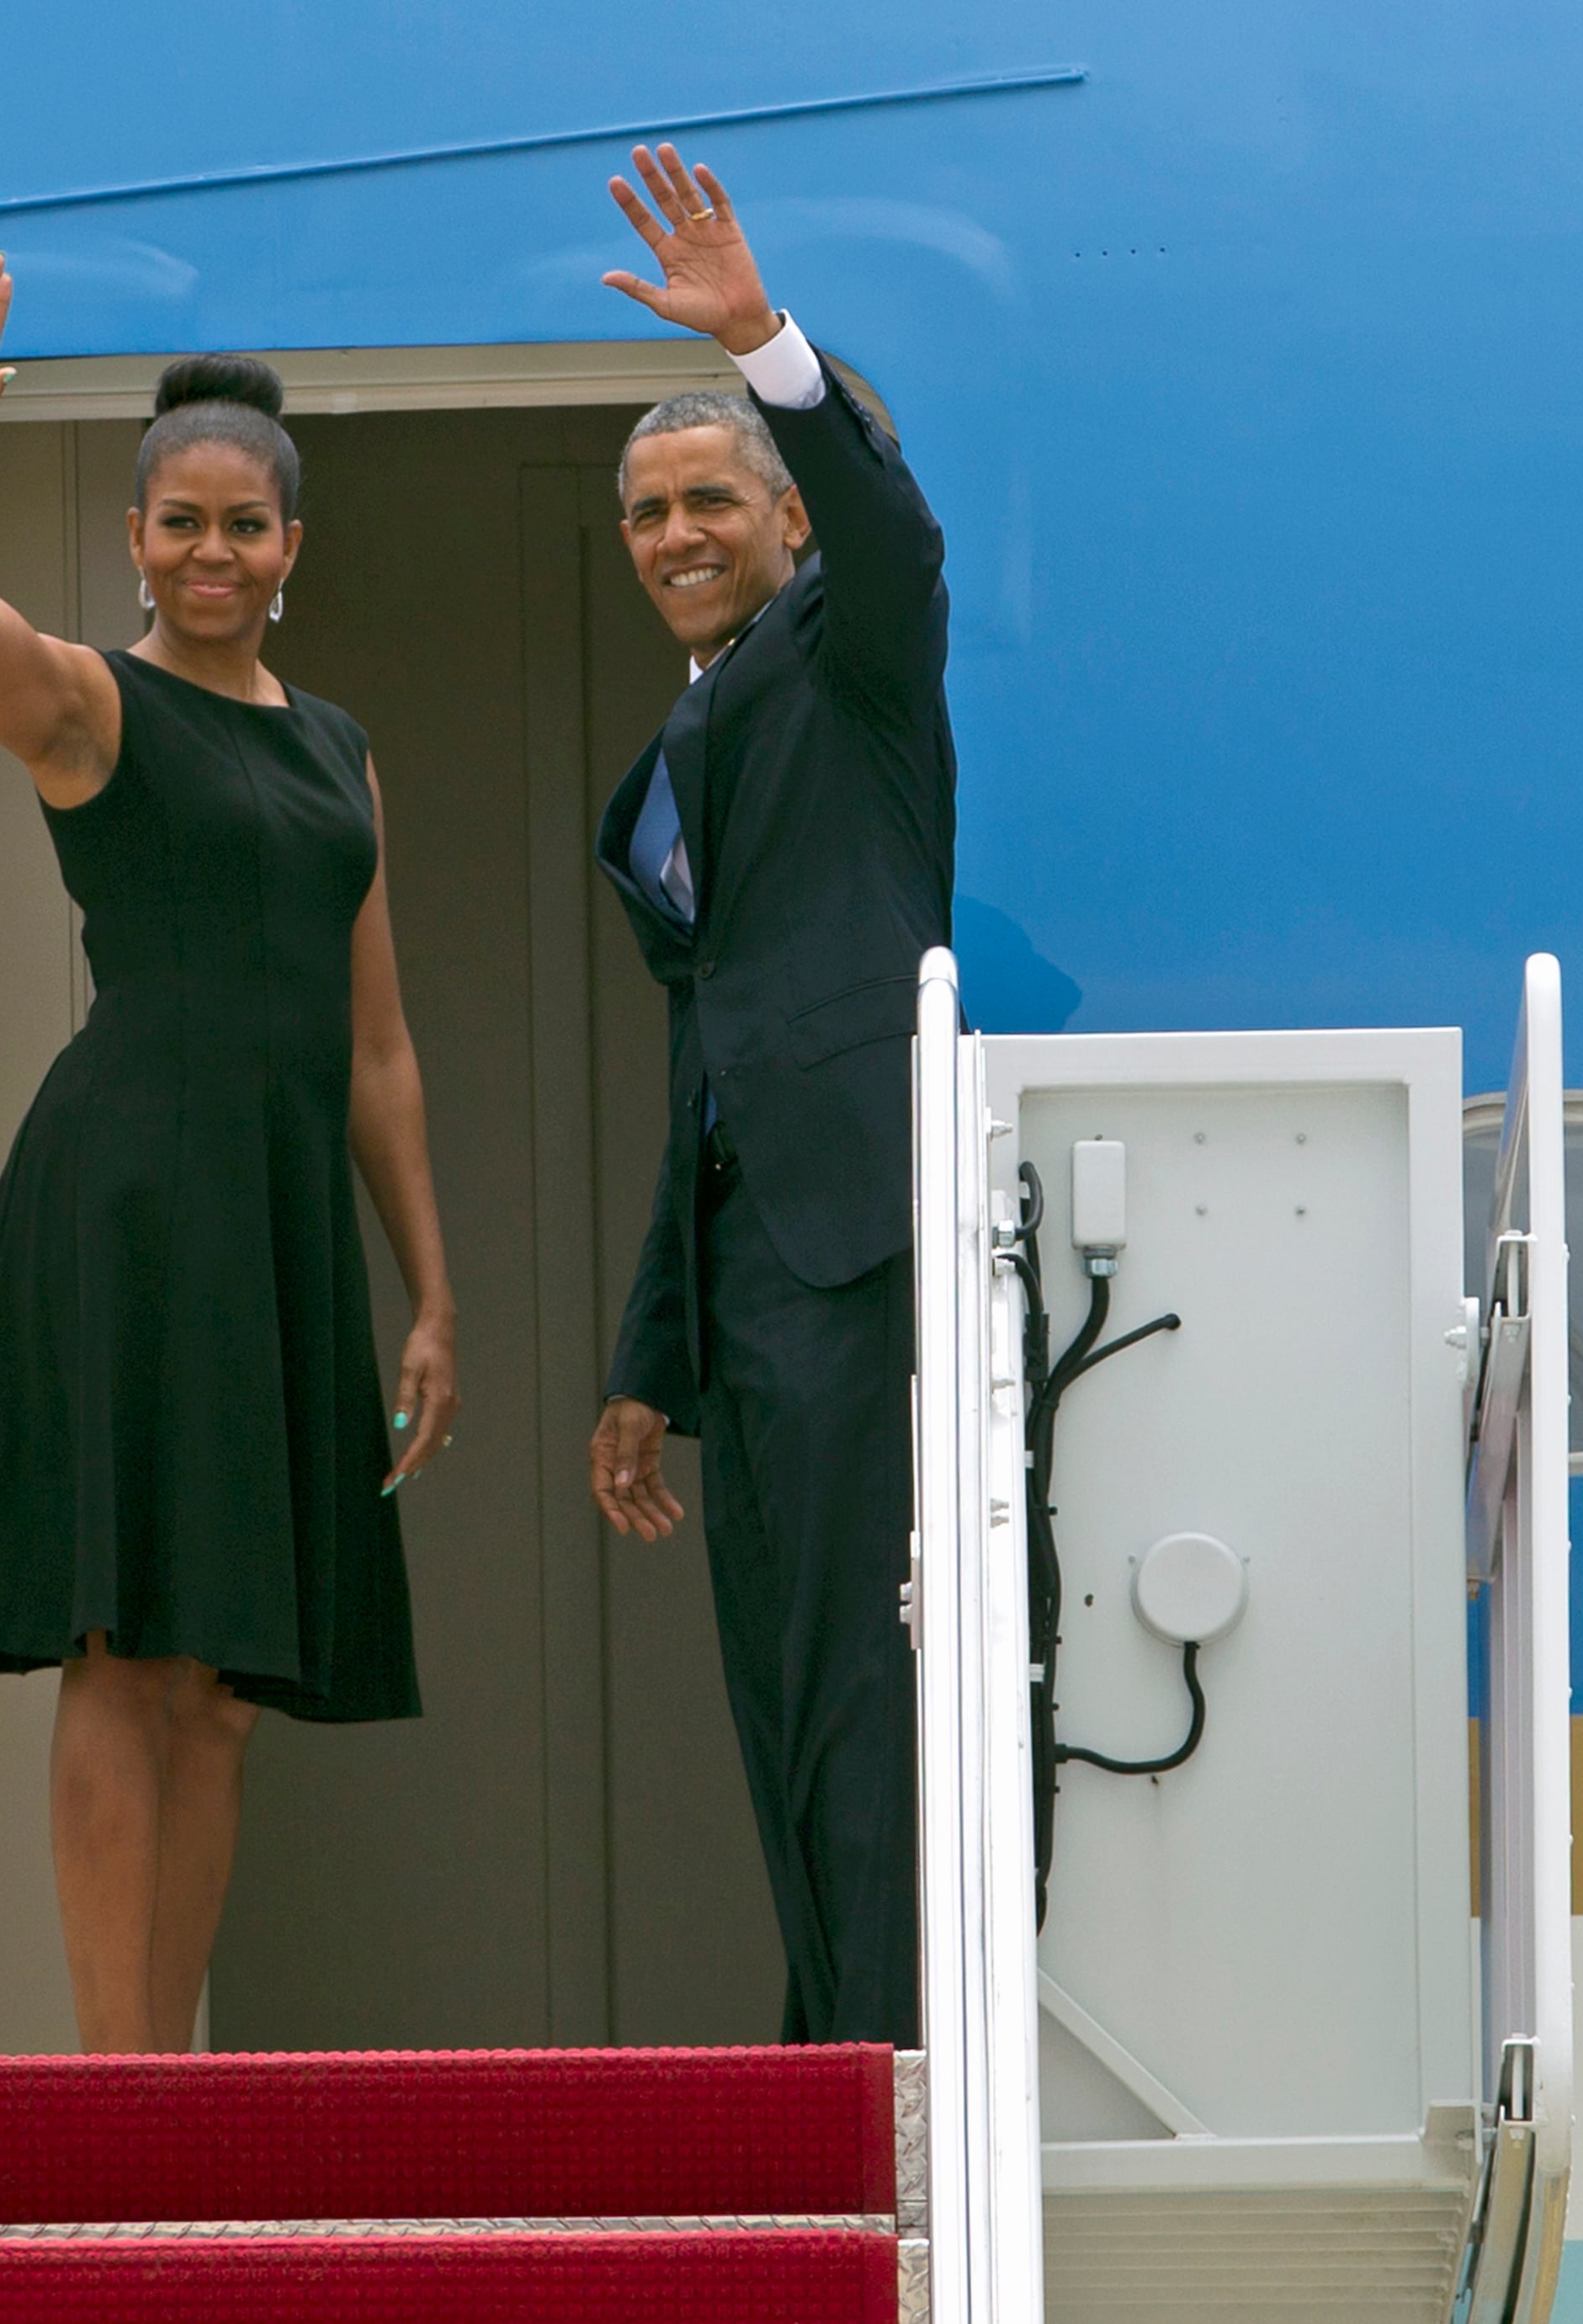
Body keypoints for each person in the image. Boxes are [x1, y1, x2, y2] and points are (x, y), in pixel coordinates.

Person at [0, 257, 461, 2054]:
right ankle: (110, 2092)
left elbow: (376, 1046)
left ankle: (179, 2098)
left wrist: (429, 1291)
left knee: (223, 1695)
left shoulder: (341, 750)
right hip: (128, 1203)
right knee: (124, 1649)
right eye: (180, 525)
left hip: (284, 1220)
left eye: (246, 525)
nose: (213, 553)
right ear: (137, 540)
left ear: (294, 540)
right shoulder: (91, 706)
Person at [584, 145, 954, 2046]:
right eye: (644, 509)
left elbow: (901, 535)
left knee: (866, 1695)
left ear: (788, 519)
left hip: (864, 1246)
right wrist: (654, 1347)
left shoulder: (855, 660)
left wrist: (769, 348)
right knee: (781, 1692)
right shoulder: (685, 735)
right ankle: (830, 2041)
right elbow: (701, 1064)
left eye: (710, 495)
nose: (672, 532)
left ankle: (882, 2075)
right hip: (753, 1291)